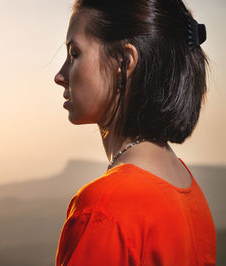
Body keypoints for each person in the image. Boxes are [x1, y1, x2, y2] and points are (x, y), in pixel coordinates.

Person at [53, 0, 217, 265]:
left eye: (74, 53)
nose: (60, 76)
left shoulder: (103, 210)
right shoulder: (189, 191)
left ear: (123, 62)